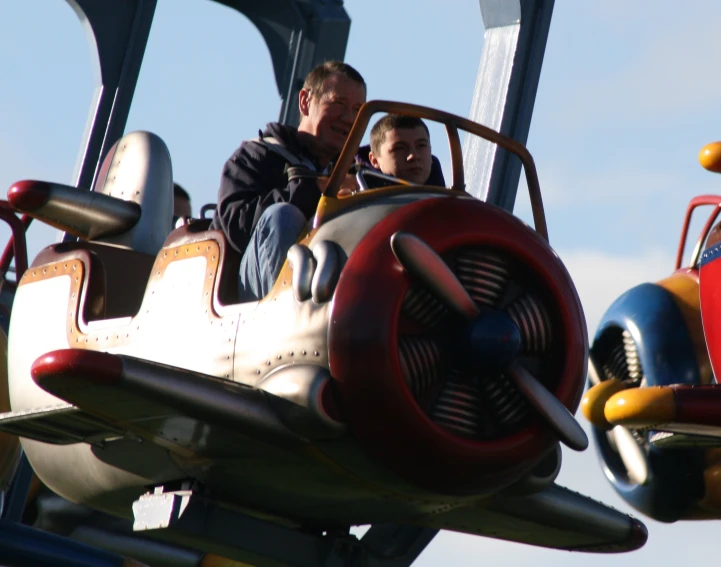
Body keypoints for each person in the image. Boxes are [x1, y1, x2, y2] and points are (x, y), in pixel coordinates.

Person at [211, 61, 367, 301]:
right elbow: (237, 224)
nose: (349, 118)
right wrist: (316, 191)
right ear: (305, 101)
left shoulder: (359, 174)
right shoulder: (257, 156)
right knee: (282, 216)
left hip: (330, 297)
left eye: (358, 110)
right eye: (338, 104)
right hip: (248, 297)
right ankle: (282, 314)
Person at [357, 114, 445, 186]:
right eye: (399, 148)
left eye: (421, 145)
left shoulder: (448, 201)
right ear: (374, 160)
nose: (413, 156)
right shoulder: (358, 200)